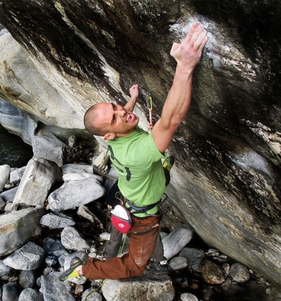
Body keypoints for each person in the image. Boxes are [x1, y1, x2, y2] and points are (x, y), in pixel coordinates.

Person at [60, 23, 208, 281]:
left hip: (126, 197)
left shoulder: (115, 137)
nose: (123, 113)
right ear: (109, 135)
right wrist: (185, 66)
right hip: (141, 215)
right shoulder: (137, 153)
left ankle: (142, 253)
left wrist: (132, 99)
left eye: (116, 107)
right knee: (134, 266)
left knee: (124, 235)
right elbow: (171, 121)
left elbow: (122, 118)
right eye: (116, 118)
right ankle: (83, 269)